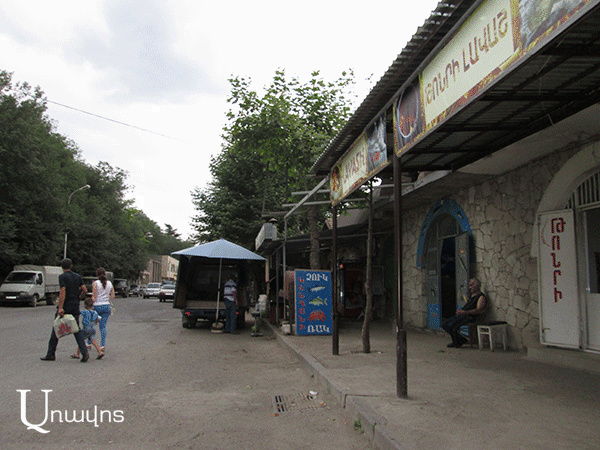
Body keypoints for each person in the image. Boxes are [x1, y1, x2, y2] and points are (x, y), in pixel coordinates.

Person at [41, 258, 90, 362]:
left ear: (62, 267)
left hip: (66, 305)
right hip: (75, 305)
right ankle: (84, 352)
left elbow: (63, 291)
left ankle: (50, 354)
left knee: (56, 328)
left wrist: (60, 307)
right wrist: (79, 297)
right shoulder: (77, 276)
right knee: (76, 329)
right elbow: (85, 290)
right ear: (71, 266)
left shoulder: (62, 277)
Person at [441, 278, 487, 348]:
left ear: (477, 286)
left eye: (471, 285)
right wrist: (461, 311)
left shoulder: (481, 297)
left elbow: (478, 310)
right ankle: (461, 340)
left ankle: (456, 342)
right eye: (469, 285)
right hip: (463, 315)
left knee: (452, 326)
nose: (470, 288)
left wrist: (465, 312)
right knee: (444, 324)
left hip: (470, 317)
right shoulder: (472, 296)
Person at [91, 267, 114, 352]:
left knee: (92, 325)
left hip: (97, 306)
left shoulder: (95, 283)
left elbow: (94, 296)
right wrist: (106, 296)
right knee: (103, 326)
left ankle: (89, 343)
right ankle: (102, 345)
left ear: (97, 274)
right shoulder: (110, 283)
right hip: (106, 306)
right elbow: (112, 296)